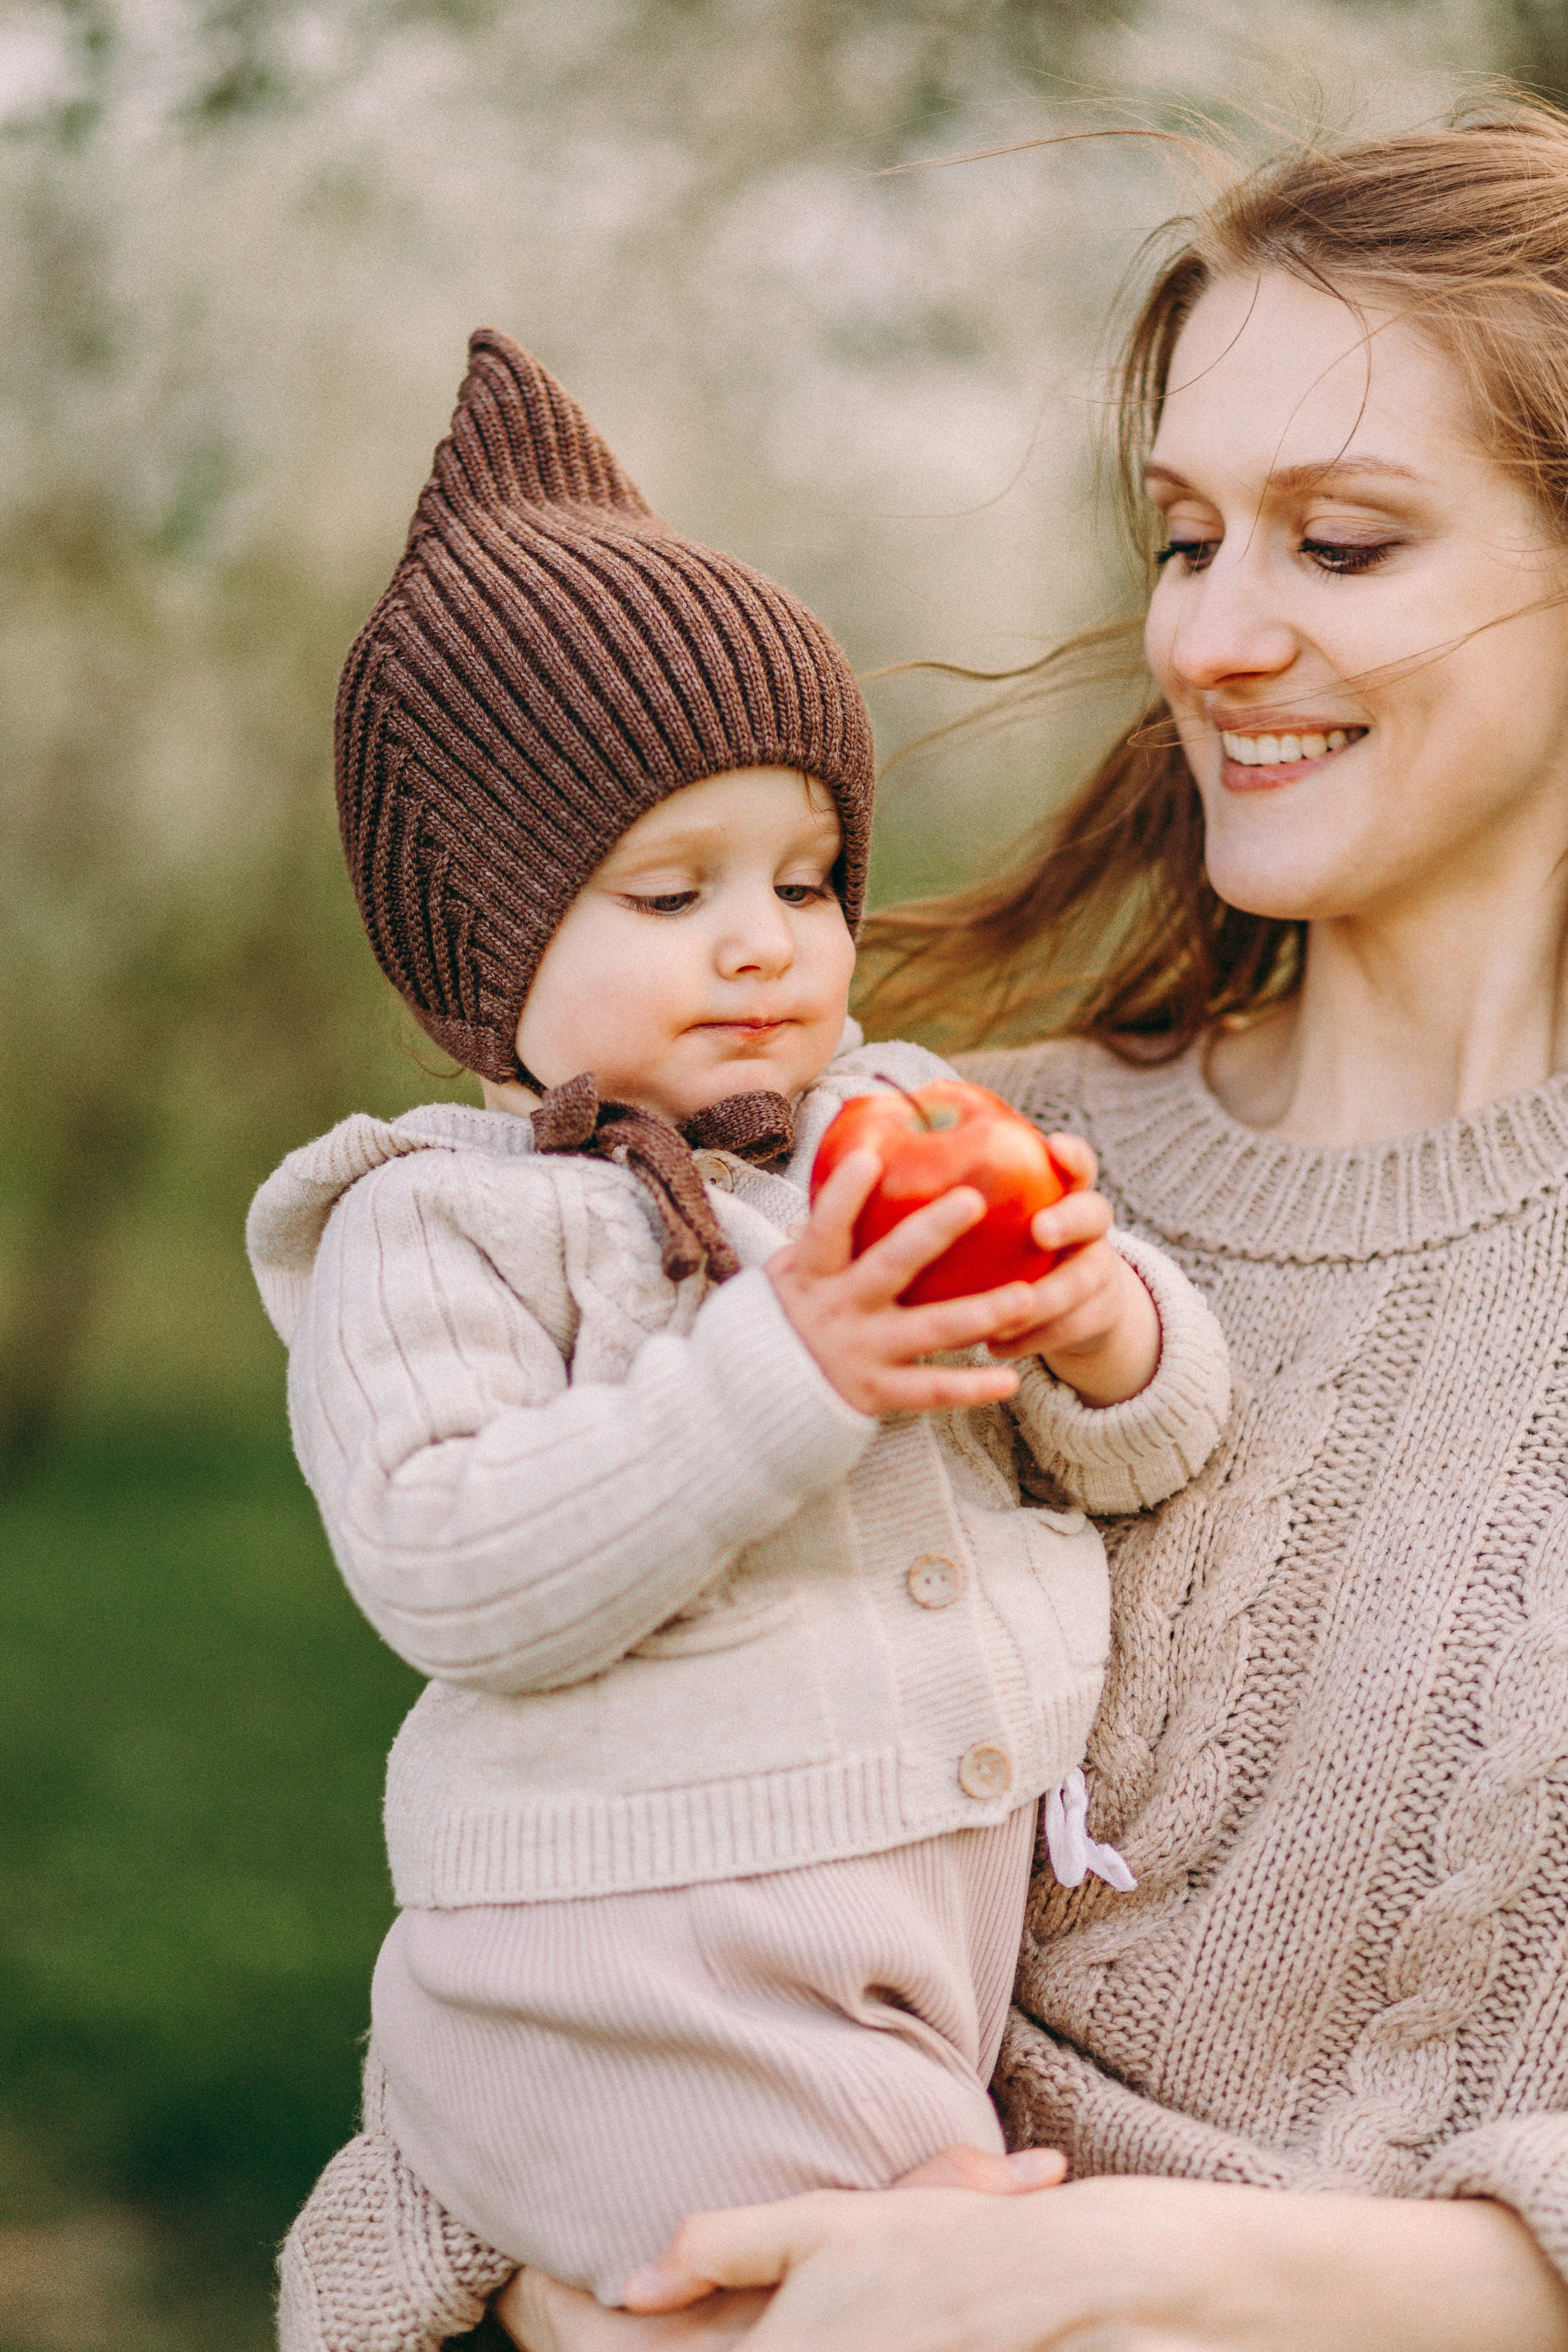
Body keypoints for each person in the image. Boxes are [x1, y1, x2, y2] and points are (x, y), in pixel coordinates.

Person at [491, 101, 1568, 2352]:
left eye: (1342, 544)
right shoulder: (934, 1168)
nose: (1215, 637)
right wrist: (584, 2271)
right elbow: (574, 1817)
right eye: (1187, 538)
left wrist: (1117, 2271)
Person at [247, 331, 1231, 2349]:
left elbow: (1146, 1452)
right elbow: (451, 1564)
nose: (768, 940)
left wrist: (1103, 1320)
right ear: (486, 948)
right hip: (619, 1980)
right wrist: (787, 1370)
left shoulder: (896, 1136)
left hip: (890, 1974)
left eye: (806, 878)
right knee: (885, 2296)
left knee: (928, 2276)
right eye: (671, 890)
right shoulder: (439, 1224)